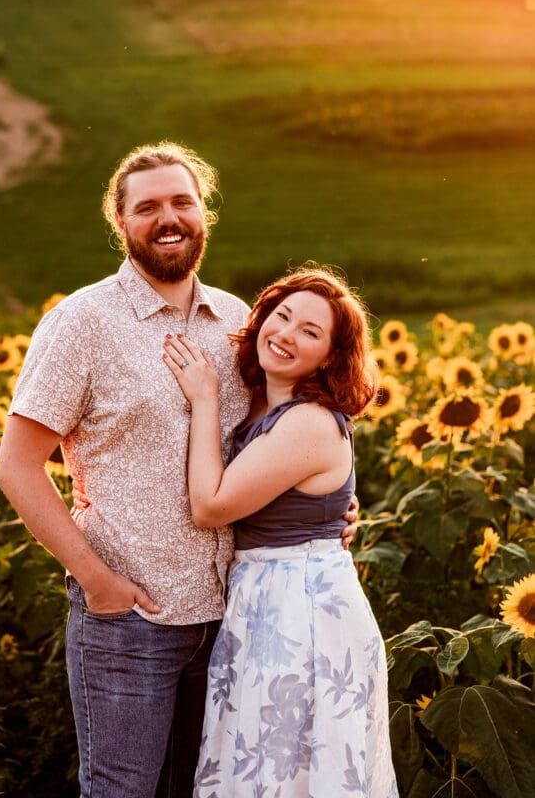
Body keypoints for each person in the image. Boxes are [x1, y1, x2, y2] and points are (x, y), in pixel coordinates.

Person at [0, 142, 358, 798]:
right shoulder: (81, 323)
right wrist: (97, 581)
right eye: (148, 207)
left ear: (204, 214)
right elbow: (17, 466)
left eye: (182, 202)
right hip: (131, 618)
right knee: (120, 790)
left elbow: (274, 442)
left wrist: (324, 513)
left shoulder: (237, 322)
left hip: (233, 619)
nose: (168, 217)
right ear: (120, 221)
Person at [163, 265, 399, 797]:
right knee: (267, 770)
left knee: (290, 774)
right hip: (271, 603)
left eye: (310, 332)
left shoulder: (309, 421)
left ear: (332, 357)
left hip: (301, 616)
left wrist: (204, 399)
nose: (286, 334)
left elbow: (211, 506)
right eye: (282, 315)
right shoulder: (267, 408)